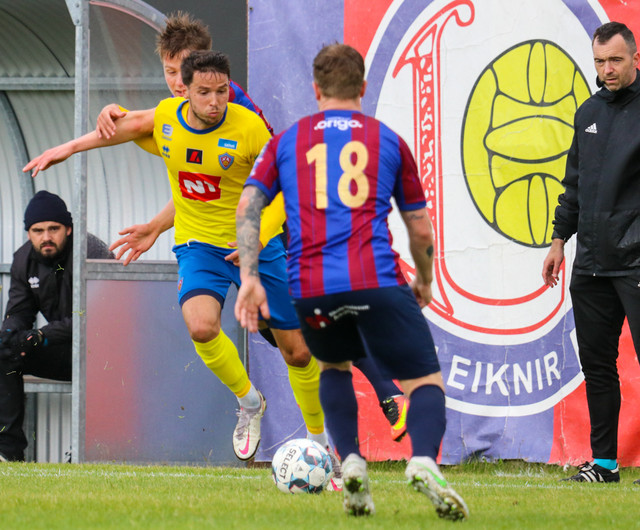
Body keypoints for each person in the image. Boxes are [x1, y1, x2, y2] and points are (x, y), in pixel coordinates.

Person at [23, 52, 340, 483]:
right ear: (183, 91)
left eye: (222, 91)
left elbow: (288, 187)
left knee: (297, 352)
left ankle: (320, 445)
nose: (215, 101)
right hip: (198, 246)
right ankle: (250, 403)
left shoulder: (249, 128)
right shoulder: (167, 119)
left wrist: (257, 235)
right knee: (201, 327)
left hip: (256, 245)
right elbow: (117, 129)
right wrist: (67, 148)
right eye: (204, 92)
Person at [102, 10, 409, 443]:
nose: (176, 81)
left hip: (276, 224)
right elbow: (201, 183)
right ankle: (294, 406)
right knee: (292, 337)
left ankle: (383, 393)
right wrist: (155, 221)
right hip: (238, 235)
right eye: (169, 71)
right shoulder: (190, 105)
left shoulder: (230, 107)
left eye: (183, 68)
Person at [234, 44, 468, 519]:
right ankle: (424, 461)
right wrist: (424, 279)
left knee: (333, 368)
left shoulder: (288, 141)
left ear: (316, 90)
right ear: (363, 87)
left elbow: (248, 207)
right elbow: (420, 228)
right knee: (424, 379)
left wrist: (250, 277)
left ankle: (353, 463)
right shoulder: (387, 141)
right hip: (374, 278)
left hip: (312, 286)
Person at [542, 21, 640, 484]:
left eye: (615, 60)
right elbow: (574, 185)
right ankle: (604, 464)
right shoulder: (588, 113)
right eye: (600, 61)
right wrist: (559, 240)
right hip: (592, 264)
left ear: (636, 58)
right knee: (597, 366)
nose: (607, 70)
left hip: (636, 262)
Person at [0, 191, 114, 461]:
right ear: (29, 233)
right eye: (38, 231)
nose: (46, 237)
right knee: (4, 353)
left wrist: (41, 334)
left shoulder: (92, 252)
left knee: (107, 359)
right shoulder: (23, 259)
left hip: (104, 352)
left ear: (69, 229)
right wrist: (9, 335)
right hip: (62, 351)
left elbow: (97, 317)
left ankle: (89, 449)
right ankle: (8, 452)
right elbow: (19, 312)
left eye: (54, 229)